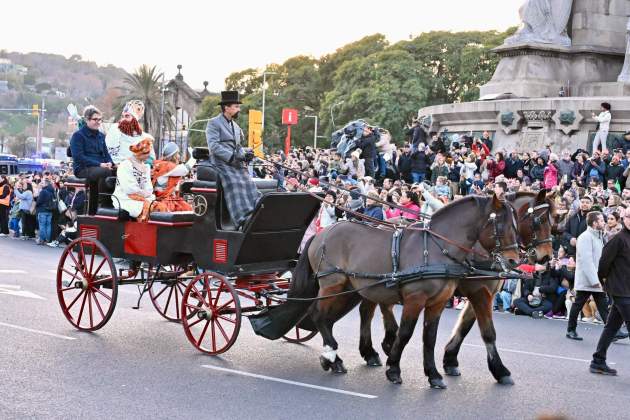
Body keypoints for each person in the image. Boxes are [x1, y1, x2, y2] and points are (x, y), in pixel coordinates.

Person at [205, 91, 258, 229]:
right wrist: (232, 156)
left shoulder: (236, 127)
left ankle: (255, 212)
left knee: (248, 181)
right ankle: (242, 219)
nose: (239, 109)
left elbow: (238, 147)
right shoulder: (213, 123)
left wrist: (246, 153)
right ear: (226, 108)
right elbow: (214, 146)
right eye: (236, 106)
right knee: (234, 183)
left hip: (235, 162)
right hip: (220, 163)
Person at [590, 208, 630, 375]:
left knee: (612, 326)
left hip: (627, 290)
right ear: (623, 218)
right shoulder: (617, 239)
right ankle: (598, 361)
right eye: (628, 216)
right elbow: (603, 264)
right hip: (620, 290)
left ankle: (598, 361)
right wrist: (604, 281)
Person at [566, 211, 609, 341]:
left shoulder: (599, 236)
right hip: (588, 279)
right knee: (578, 303)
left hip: (595, 278)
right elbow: (586, 260)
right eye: (601, 220)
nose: (604, 222)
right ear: (595, 223)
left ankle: (613, 331)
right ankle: (571, 330)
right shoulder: (585, 237)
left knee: (602, 304)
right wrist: (594, 280)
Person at [69, 106, 114, 214]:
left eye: (100, 119)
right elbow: (78, 157)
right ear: (87, 120)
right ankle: (101, 207)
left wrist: (110, 163)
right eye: (95, 119)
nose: (98, 122)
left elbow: (106, 154)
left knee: (117, 171)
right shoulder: (77, 136)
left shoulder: (101, 136)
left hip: (99, 167)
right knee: (104, 172)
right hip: (83, 168)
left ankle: (109, 205)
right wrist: (100, 164)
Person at [112, 137, 155, 222]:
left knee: (161, 207)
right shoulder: (125, 165)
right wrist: (145, 195)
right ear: (140, 153)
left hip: (143, 198)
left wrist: (146, 195)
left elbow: (149, 188)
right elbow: (130, 189)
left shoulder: (146, 166)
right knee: (150, 209)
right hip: (125, 199)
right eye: (147, 152)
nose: (149, 155)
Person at [151, 142, 195, 212]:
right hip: (165, 202)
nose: (179, 156)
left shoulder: (161, 165)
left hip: (164, 199)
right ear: (173, 156)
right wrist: (193, 157)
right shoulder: (168, 167)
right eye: (177, 153)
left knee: (187, 208)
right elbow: (185, 169)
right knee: (187, 210)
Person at [35, 179, 55, 245]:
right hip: (50, 211)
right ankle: (47, 239)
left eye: (43, 183)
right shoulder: (52, 191)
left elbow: (39, 201)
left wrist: (36, 204)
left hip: (42, 210)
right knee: (48, 225)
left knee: (42, 225)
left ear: (46, 184)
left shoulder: (43, 191)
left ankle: (42, 240)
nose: (41, 184)